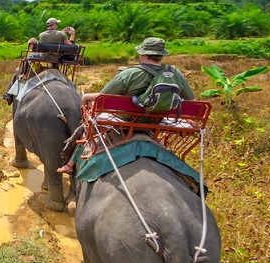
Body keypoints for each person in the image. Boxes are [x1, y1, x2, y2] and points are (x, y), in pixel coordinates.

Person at [56, 37, 194, 174]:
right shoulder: (175, 74)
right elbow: (190, 100)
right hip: (157, 120)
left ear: (142, 54)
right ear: (161, 55)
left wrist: (86, 97)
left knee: (86, 131)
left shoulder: (130, 73)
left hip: (126, 120)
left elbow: (103, 98)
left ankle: (70, 164)